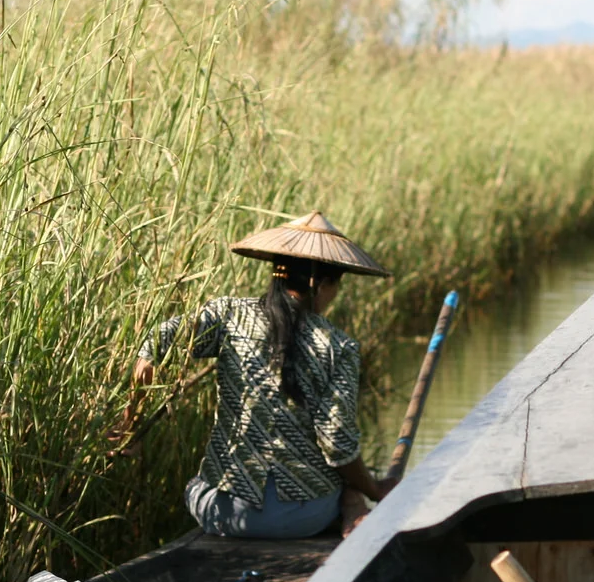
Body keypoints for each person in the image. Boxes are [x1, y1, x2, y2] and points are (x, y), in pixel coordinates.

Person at [130, 211, 396, 538]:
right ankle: (352, 507)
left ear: (276, 275)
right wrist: (371, 488)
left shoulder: (228, 315)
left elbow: (156, 343)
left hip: (220, 513)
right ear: (323, 285)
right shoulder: (337, 347)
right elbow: (337, 443)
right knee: (346, 481)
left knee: (198, 482)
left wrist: (132, 418)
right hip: (301, 519)